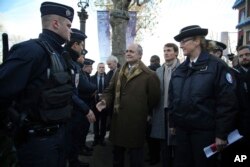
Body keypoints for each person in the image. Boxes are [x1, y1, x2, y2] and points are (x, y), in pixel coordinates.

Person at [0, 2, 75, 166]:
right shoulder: (30, 51)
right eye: (68, 25)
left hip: (58, 137)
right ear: (55, 24)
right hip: (36, 143)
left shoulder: (60, 54)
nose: (71, 30)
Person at [169, 25, 238, 167]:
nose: (180, 46)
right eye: (180, 42)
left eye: (184, 41)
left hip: (205, 134)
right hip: (182, 133)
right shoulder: (179, 70)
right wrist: (172, 123)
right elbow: (173, 99)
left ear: (197, 41)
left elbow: (227, 102)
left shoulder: (217, 66)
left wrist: (221, 134)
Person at [96, 43, 161, 167]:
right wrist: (104, 101)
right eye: (127, 51)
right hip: (118, 120)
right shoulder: (119, 72)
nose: (128, 53)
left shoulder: (149, 75)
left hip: (136, 122)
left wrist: (143, 111)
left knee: (135, 157)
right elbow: (110, 90)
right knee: (117, 156)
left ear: (140, 55)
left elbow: (154, 98)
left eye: (132, 51)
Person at [64, 28, 96, 167]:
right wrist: (85, 109)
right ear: (75, 45)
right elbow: (72, 90)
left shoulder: (73, 64)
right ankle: (73, 161)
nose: (82, 48)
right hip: (73, 110)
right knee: (72, 138)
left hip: (75, 108)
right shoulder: (70, 64)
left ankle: (74, 160)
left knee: (75, 138)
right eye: (81, 45)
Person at [150, 43, 180, 167]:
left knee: (177, 143)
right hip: (161, 111)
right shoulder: (159, 70)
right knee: (163, 144)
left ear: (176, 53)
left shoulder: (182, 68)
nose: (166, 53)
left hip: (177, 111)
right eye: (164, 51)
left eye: (169, 50)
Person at [221, 45, 250, 167]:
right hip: (241, 123)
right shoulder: (233, 74)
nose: (244, 58)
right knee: (240, 157)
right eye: (241, 55)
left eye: (247, 55)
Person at [145, 54, 161, 165]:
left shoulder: (148, 70)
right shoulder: (162, 70)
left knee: (150, 136)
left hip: (150, 109)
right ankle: (155, 156)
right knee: (156, 136)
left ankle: (153, 156)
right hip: (158, 108)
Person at [90, 63, 109, 146]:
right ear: (97, 68)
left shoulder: (108, 79)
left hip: (104, 104)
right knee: (95, 122)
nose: (101, 69)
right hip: (94, 104)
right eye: (100, 67)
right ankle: (96, 138)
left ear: (105, 68)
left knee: (104, 122)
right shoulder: (92, 78)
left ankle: (102, 139)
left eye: (103, 67)